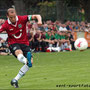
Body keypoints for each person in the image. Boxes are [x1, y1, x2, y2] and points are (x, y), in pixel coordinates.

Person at [0, 8, 42, 88]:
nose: (13, 19)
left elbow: (37, 15)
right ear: (7, 16)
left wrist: (39, 21)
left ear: (16, 14)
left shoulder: (22, 18)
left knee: (31, 63)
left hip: (25, 43)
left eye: (14, 16)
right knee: (19, 52)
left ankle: (15, 80)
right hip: (13, 43)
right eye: (11, 17)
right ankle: (26, 60)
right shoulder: (5, 25)